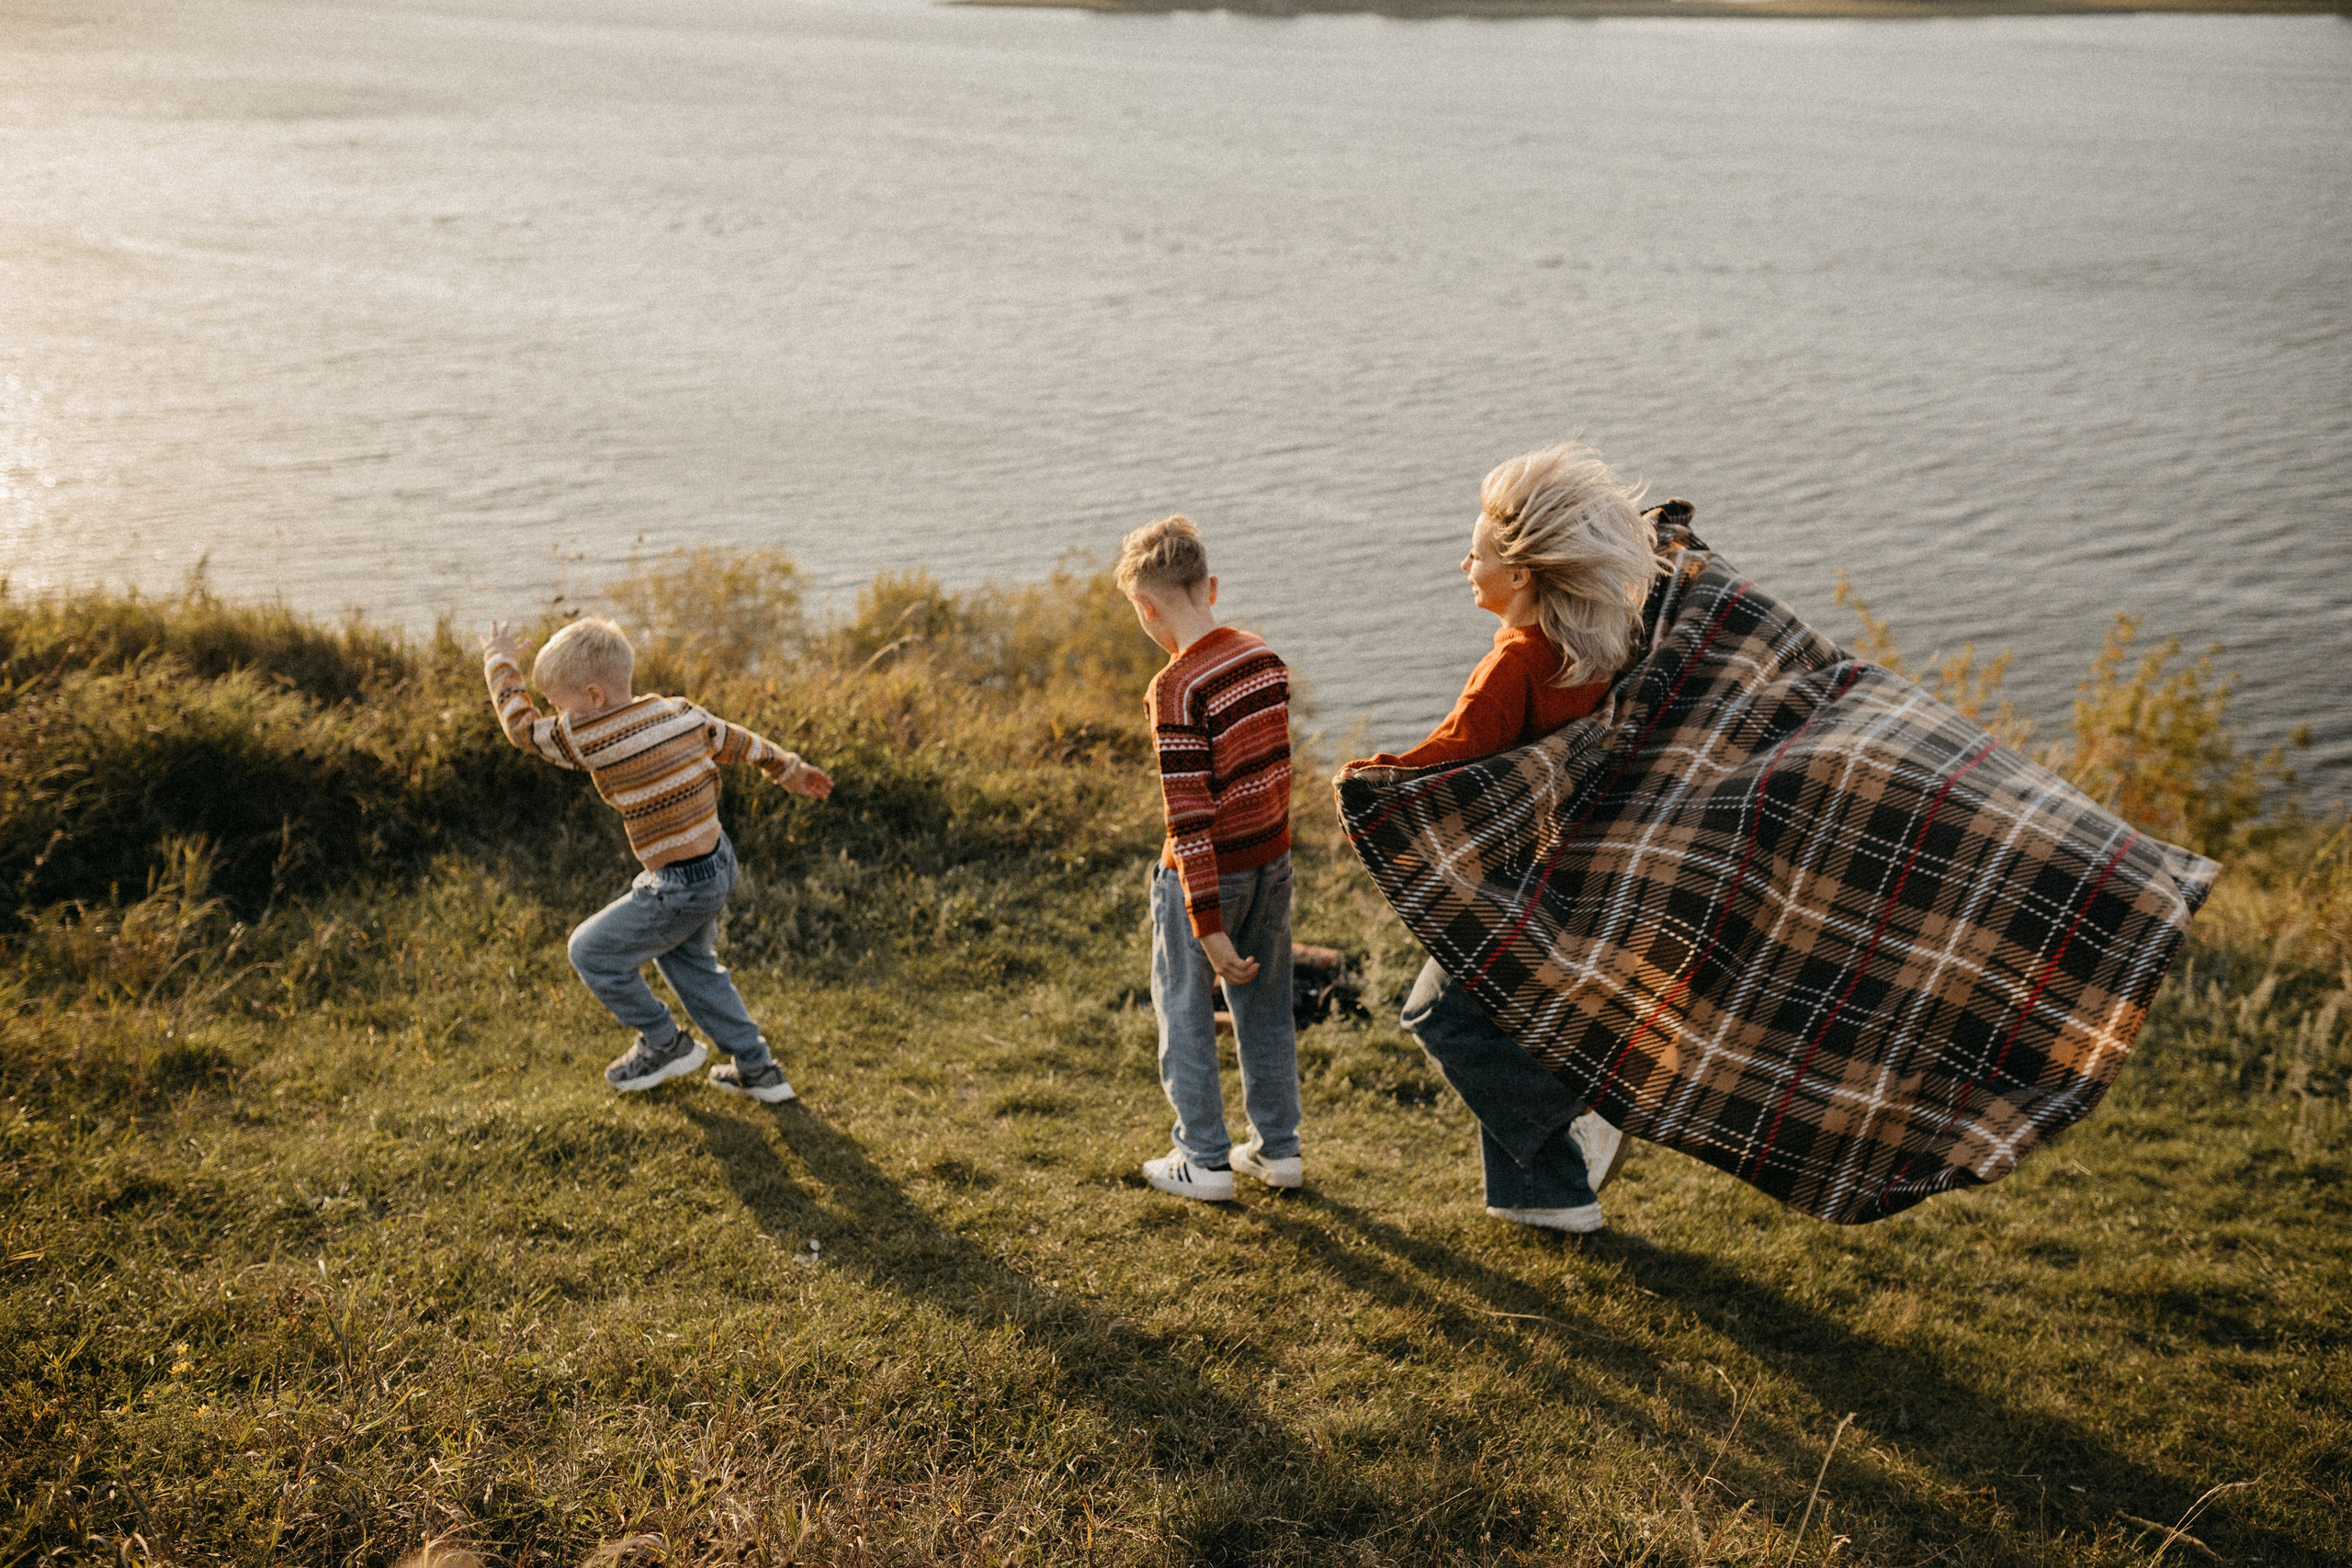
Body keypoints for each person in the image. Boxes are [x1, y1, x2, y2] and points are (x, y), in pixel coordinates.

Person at [1344, 443, 1659, 1234]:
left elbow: (1452, 756)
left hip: (1517, 882)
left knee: (1441, 1013)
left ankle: (1587, 1105)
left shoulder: (1516, 662)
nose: (1465, 565)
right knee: (1502, 1020)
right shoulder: (1601, 648)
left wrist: (1367, 778)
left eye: (1476, 554)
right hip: (1587, 871)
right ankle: (1548, 1196)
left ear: (1519, 575)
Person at [481, 615, 832, 1103]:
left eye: (558, 704)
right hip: (718, 861)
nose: (556, 715)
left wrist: (499, 663)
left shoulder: (588, 735)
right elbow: (738, 740)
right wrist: (787, 768)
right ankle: (759, 1071)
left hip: (679, 885)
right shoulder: (679, 712)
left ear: (594, 696)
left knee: (590, 951)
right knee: (692, 967)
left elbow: (522, 729)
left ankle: (665, 1043)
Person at [1116, 515, 1302, 1201]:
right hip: (1272, 861)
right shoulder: (1262, 658)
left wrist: (1207, 921)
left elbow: (1188, 815)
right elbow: (1277, 772)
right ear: (1210, 587)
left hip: (1204, 878)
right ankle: (1279, 1150)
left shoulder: (1175, 689)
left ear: (1145, 608)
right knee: (1268, 1009)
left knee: (1185, 1012)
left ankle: (1203, 1159)